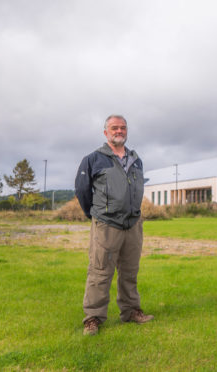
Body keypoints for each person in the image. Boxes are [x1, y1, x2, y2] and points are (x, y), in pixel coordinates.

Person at [75, 114, 154, 336]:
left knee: (129, 271)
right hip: (106, 225)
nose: (119, 131)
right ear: (105, 132)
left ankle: (130, 311)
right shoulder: (93, 159)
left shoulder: (136, 160)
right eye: (114, 128)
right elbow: (82, 190)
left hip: (133, 225)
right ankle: (93, 318)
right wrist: (96, 214)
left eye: (122, 128)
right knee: (100, 272)